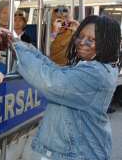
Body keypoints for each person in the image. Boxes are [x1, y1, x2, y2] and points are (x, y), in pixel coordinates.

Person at [10, 15, 121, 160]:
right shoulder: (92, 66)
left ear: (107, 43)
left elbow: (51, 81)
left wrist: (17, 48)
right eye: (80, 36)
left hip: (78, 154)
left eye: (92, 39)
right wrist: (22, 45)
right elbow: (54, 69)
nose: (82, 42)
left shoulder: (95, 73)